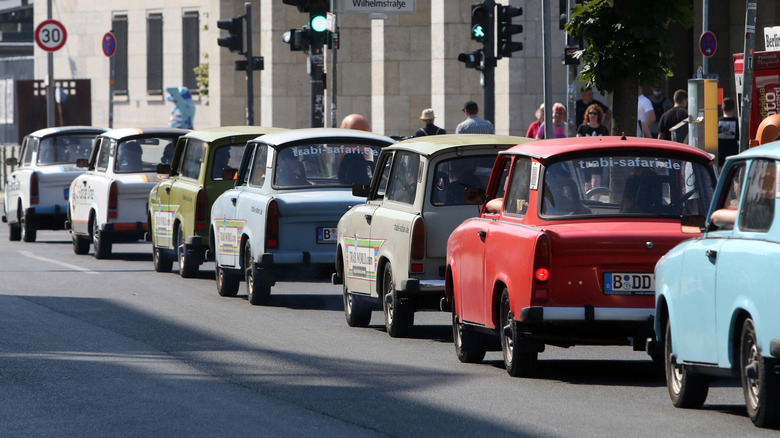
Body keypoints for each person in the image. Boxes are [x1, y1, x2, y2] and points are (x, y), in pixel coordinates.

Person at [718, 97, 739, 167]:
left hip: (720, 155)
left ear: (722, 108)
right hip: (733, 155)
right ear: (733, 109)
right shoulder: (737, 122)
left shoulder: (717, 121)